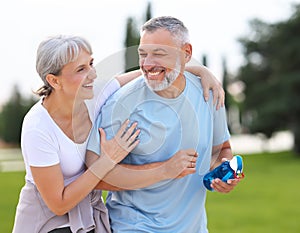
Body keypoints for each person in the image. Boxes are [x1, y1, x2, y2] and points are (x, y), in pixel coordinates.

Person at [12, 35, 225, 233]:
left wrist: (203, 72)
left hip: (89, 219)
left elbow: (151, 72)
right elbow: (59, 204)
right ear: (54, 81)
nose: (92, 74)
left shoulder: (96, 93)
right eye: (81, 69)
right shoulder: (37, 127)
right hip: (47, 222)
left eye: (91, 64)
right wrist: (108, 160)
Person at [86, 16, 242, 233]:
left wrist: (223, 174)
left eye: (158, 54)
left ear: (186, 53)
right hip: (134, 227)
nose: (148, 64)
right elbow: (95, 177)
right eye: (143, 54)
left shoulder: (210, 94)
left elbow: (221, 150)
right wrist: (163, 170)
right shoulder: (120, 105)